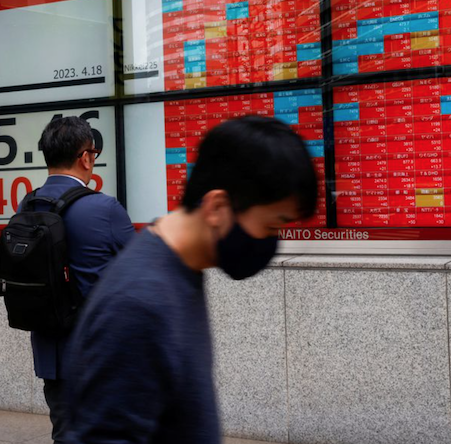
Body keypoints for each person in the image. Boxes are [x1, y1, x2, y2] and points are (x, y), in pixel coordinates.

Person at [64, 115, 318, 444]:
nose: (273, 241)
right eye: (272, 226)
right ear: (217, 207)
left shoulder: (180, 268)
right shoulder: (138, 305)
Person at [29, 116, 135, 443]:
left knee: (65, 433)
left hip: (51, 353)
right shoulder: (105, 209)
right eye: (94, 154)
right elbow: (139, 272)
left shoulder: (26, 205)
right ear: (85, 157)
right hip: (100, 355)